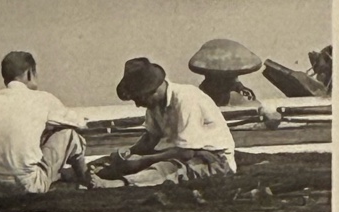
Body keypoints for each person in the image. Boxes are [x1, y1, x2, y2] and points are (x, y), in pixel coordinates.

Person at [92, 56, 236, 187]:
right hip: (180, 153)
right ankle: (90, 173)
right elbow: (150, 139)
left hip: (213, 159)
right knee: (116, 161)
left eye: (139, 98)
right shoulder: (154, 104)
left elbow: (186, 153)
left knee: (166, 169)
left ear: (153, 90)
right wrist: (129, 152)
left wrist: (142, 160)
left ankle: (118, 184)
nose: (137, 104)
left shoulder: (186, 99)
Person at [0, 51, 93, 198]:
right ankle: (87, 179)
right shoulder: (42, 98)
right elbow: (80, 125)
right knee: (69, 135)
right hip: (27, 185)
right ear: (29, 73)